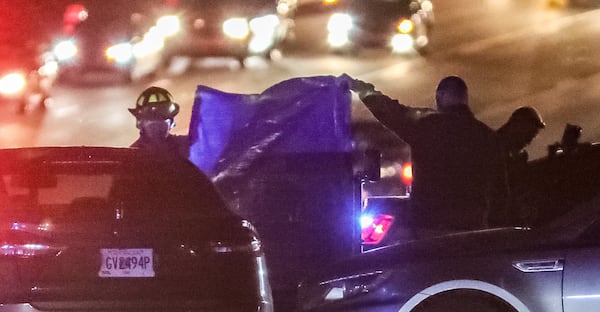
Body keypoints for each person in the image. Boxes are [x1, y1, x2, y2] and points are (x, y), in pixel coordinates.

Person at [345, 74, 509, 234]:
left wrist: (362, 89)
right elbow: (500, 193)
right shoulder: (487, 137)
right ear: (465, 98)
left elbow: (391, 111)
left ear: (441, 96)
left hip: (429, 226)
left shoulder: (427, 126)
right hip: (471, 229)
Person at [129, 86, 189, 158]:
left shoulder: (130, 155)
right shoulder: (185, 146)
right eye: (152, 121)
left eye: (161, 120)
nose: (156, 128)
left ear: (139, 122)